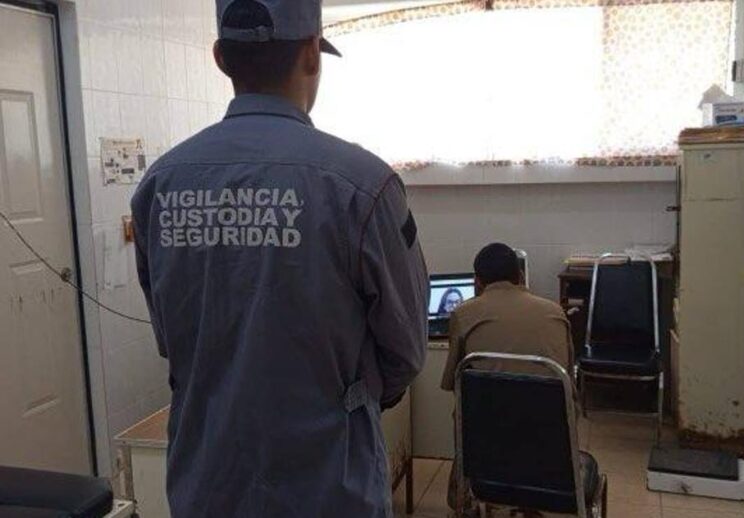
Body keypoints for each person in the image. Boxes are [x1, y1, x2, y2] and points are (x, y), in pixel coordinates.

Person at [130, 0, 428, 516]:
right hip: (328, 488)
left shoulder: (160, 183)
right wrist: (354, 396)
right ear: (311, 54)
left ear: (221, 57)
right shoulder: (363, 185)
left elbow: (170, 338)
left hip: (208, 483)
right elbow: (406, 350)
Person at [440, 242, 573, 514]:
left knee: (466, 407)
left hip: (488, 453)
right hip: (550, 454)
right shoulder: (555, 313)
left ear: (477, 282)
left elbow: (452, 383)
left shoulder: (463, 314)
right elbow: (568, 380)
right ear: (520, 276)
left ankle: (467, 495)